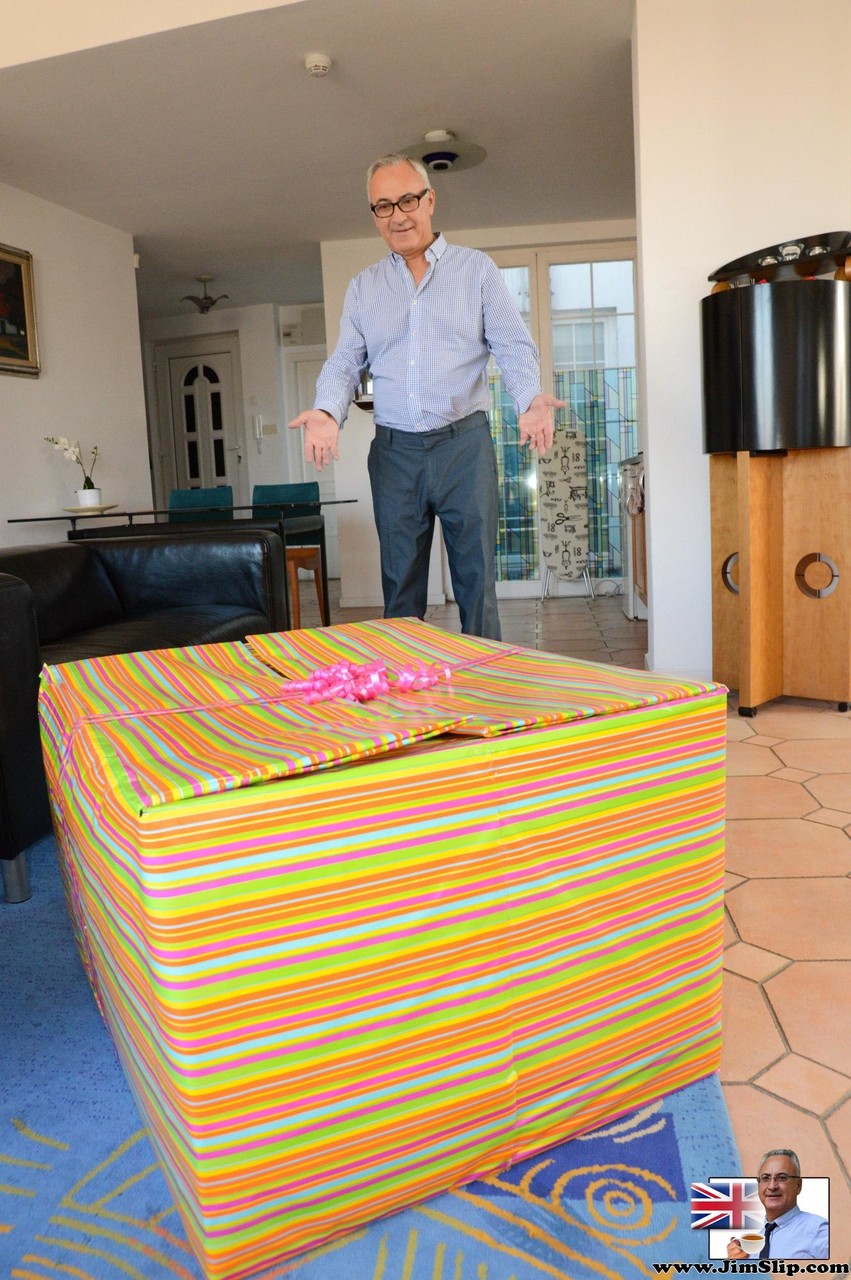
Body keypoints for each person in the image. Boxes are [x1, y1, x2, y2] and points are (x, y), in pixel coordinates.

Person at [288, 153, 563, 640]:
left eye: (408, 200)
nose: (397, 215)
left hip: (464, 449)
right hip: (395, 455)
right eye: (383, 206)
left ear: (430, 200)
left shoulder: (476, 270)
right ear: (374, 214)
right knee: (401, 590)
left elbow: (512, 344)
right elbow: (346, 360)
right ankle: (409, 685)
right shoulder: (364, 287)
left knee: (477, 583)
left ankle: (482, 683)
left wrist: (528, 400)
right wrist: (328, 410)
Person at [727, 1149, 829, 1260]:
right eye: (765, 1178)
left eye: (782, 1178)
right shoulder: (752, 1247)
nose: (772, 1186)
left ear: (798, 1185)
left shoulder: (818, 1231)